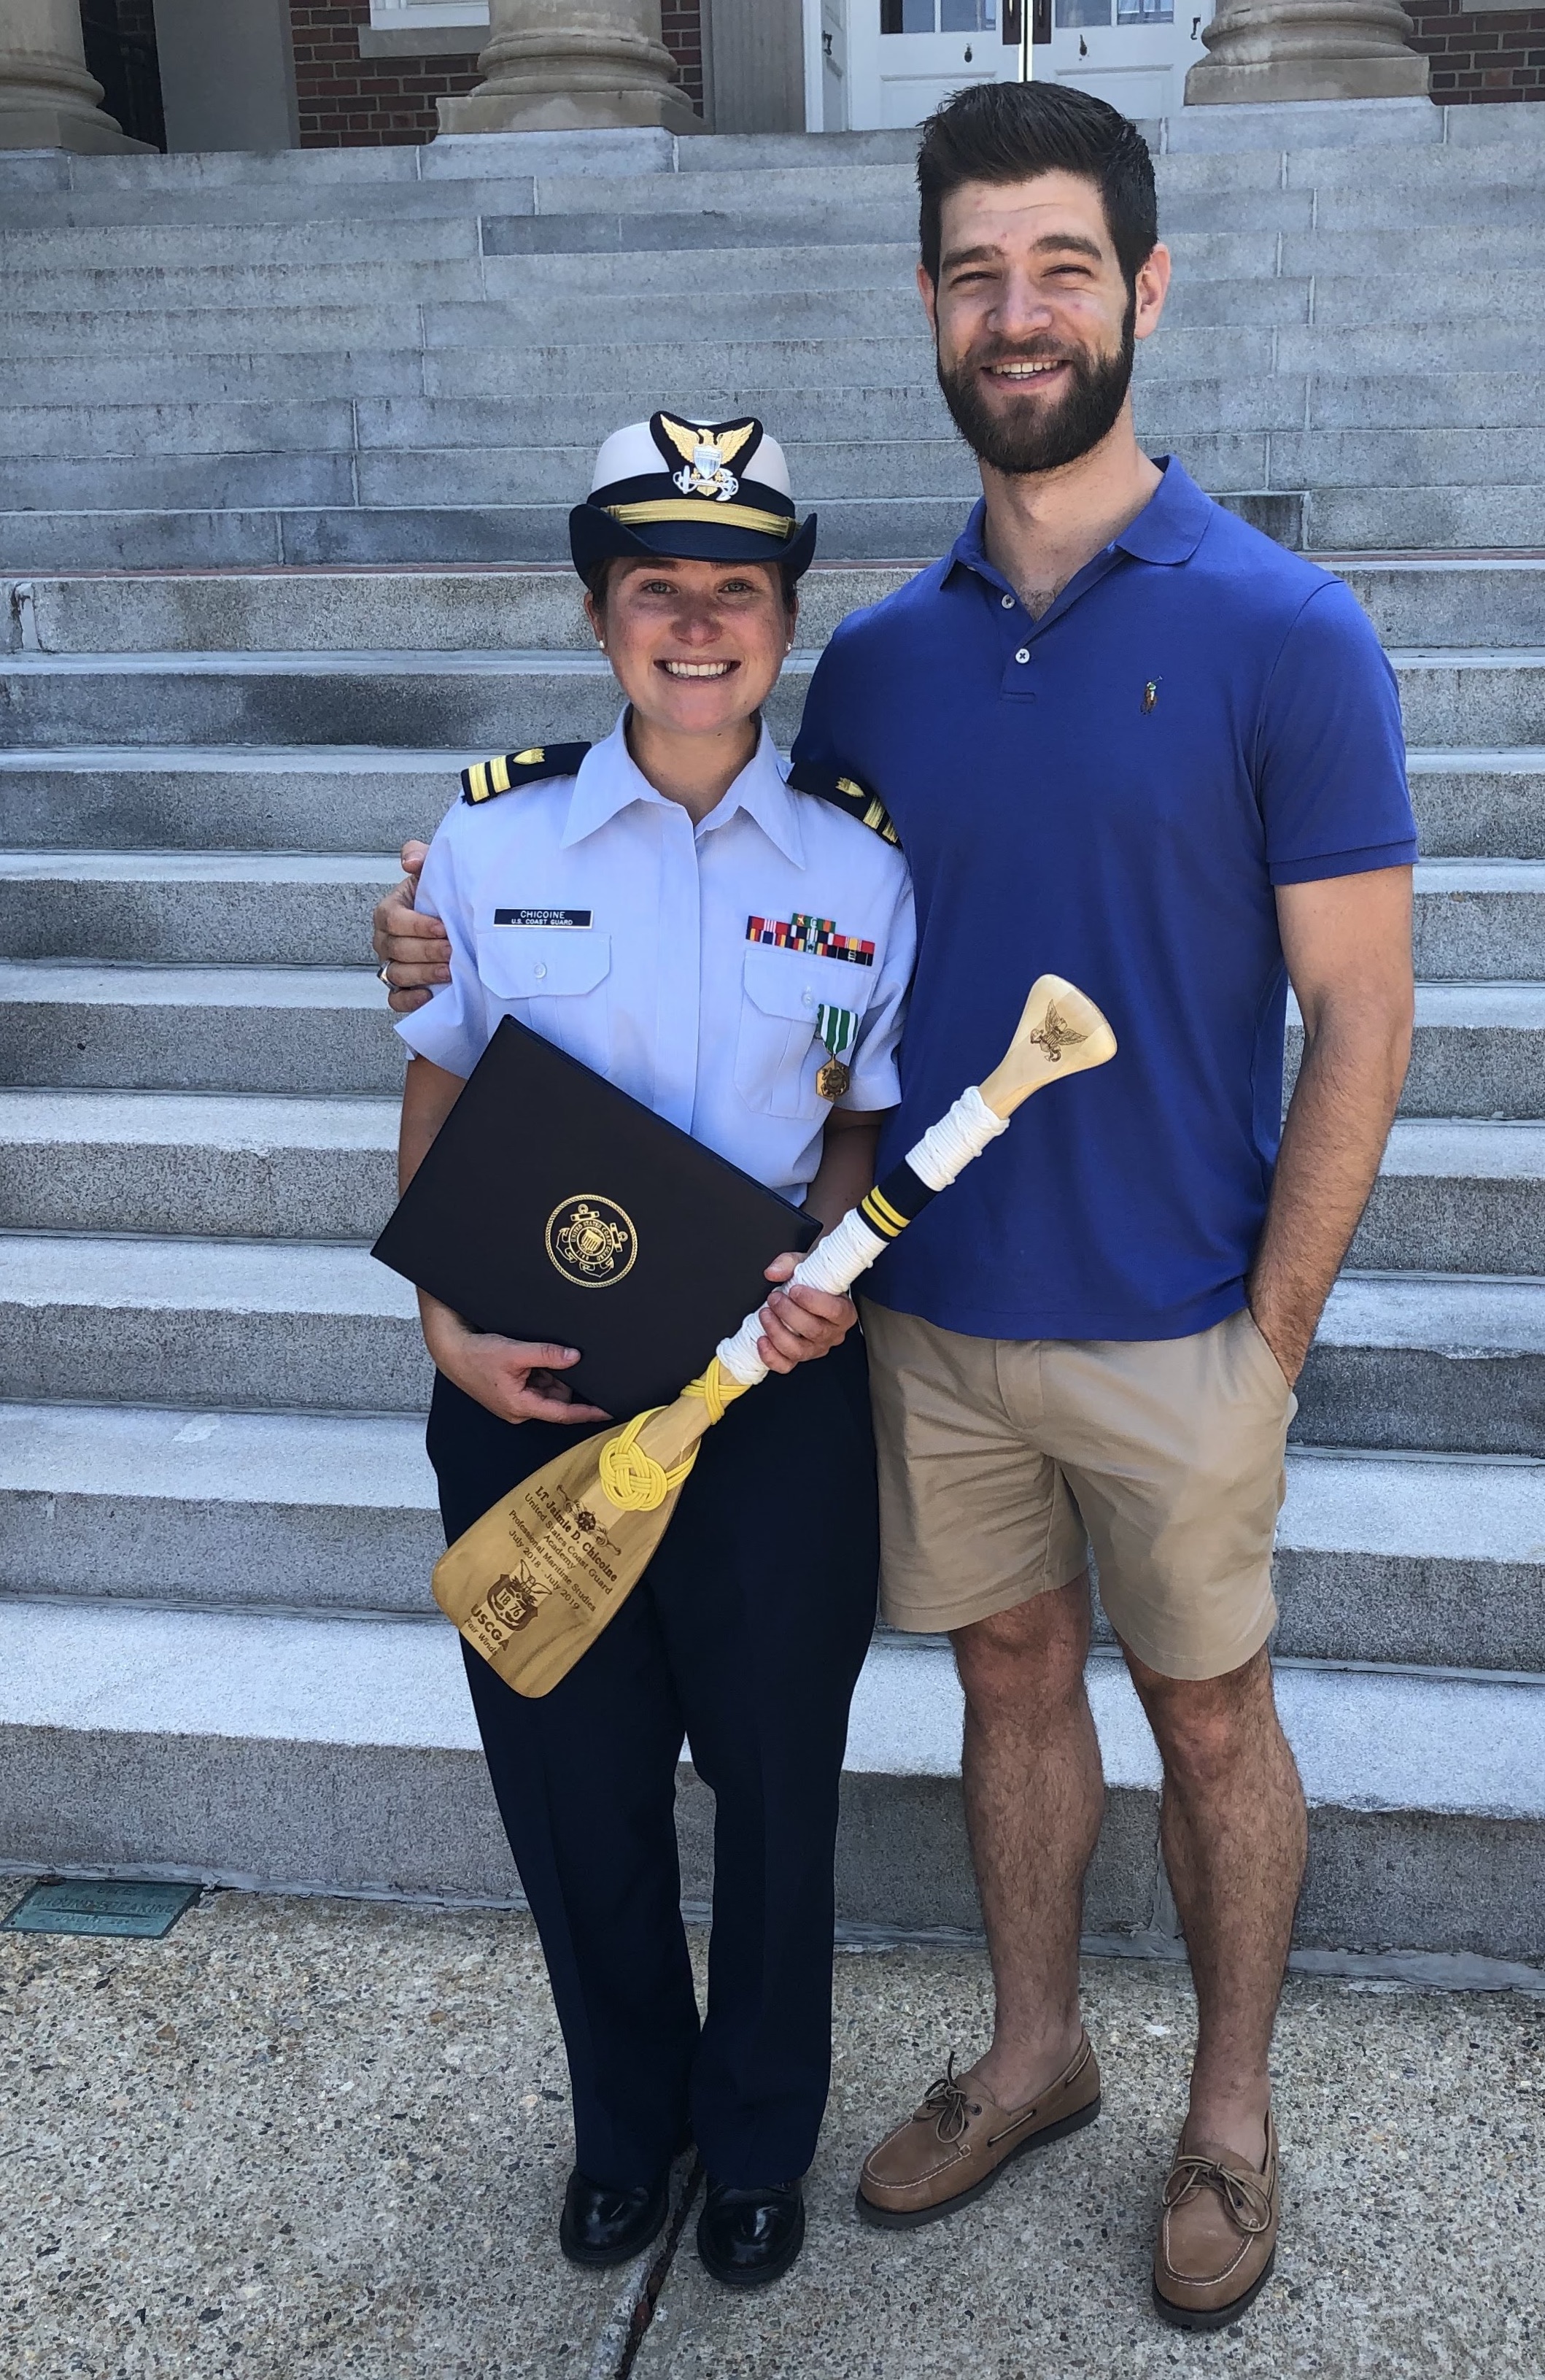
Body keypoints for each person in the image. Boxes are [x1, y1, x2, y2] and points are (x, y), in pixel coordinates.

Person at [374, 85, 1416, 2331]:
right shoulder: (882, 669)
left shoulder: (1287, 633)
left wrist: (1281, 1329)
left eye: (1060, 267)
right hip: (913, 1334)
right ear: (932, 306)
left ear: (1144, 289)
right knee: (1013, 1689)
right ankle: (1034, 2059)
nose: (1017, 312)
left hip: (1172, 1319)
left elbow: (1365, 1015)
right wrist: (435, 970)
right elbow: (796, 1030)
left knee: (1213, 1718)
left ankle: (1227, 2119)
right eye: (975, 273)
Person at [392, 413, 915, 2292]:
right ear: (601, 615)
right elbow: (442, 1080)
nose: (697, 621)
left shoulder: (858, 873)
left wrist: (835, 1267)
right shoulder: (490, 831)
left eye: (737, 590)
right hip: (530, 1387)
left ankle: (759, 2135)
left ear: (783, 621)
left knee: (778, 1782)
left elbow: (855, 1116)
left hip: (766, 1395)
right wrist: (443, 1318)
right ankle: (633, 2125)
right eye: (656, 589)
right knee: (573, 1780)